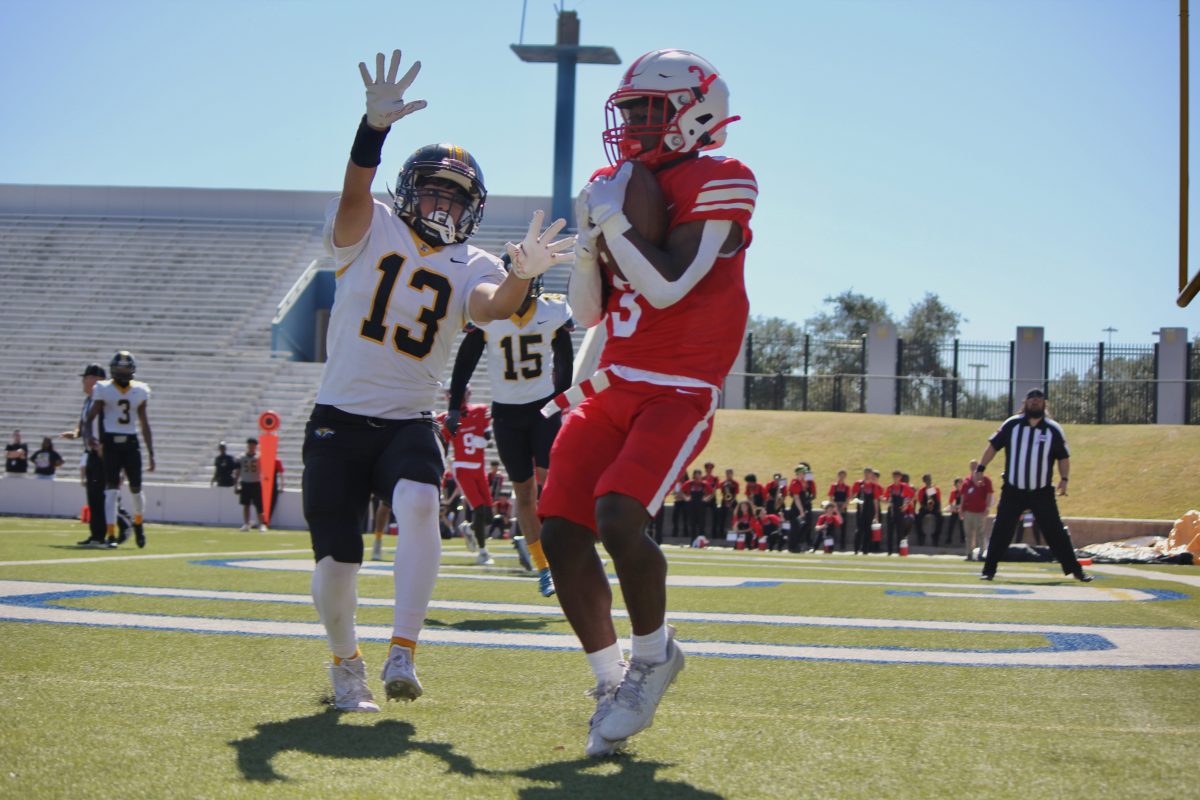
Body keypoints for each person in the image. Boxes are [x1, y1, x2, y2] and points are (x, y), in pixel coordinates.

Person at [300, 49, 571, 714]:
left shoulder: (473, 262)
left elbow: (492, 307)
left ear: (473, 210)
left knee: (421, 505)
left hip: (409, 420)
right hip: (337, 417)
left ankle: (403, 650)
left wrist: (524, 274)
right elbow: (353, 195)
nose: (441, 206)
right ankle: (344, 663)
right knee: (336, 566)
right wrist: (371, 132)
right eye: (432, 191)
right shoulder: (372, 225)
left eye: (454, 198)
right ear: (407, 189)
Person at [539, 48, 755, 756]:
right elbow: (591, 311)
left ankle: (654, 655)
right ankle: (609, 680)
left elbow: (668, 287)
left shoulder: (722, 179)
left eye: (647, 111)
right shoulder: (614, 183)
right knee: (561, 528)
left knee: (618, 514)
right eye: (627, 110)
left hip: (680, 386)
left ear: (698, 113)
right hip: (613, 381)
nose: (632, 125)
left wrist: (619, 227)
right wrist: (587, 245)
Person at [446, 263, 575, 596]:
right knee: (524, 493)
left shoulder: (553, 308)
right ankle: (543, 566)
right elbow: (465, 361)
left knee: (551, 485)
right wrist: (453, 406)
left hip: (543, 409)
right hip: (505, 415)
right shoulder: (489, 314)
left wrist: (563, 399)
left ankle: (565, 549)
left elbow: (564, 357)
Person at [977, 389, 1091, 582]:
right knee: (1002, 529)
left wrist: (1064, 479)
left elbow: (1063, 457)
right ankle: (989, 570)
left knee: (1055, 531)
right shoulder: (1012, 424)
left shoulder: (1053, 429)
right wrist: (980, 468)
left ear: (1044, 404)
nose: (1035, 402)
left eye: (1038, 400)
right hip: (1013, 489)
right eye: (1032, 399)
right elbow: (993, 446)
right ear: (1026, 402)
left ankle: (1076, 570)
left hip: (1041, 491)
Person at [84, 350, 154, 548]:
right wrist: (90, 437)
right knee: (111, 490)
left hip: (131, 443)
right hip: (111, 443)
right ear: (113, 369)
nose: (123, 370)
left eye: (126, 367)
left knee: (136, 488)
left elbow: (144, 423)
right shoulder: (104, 388)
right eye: (119, 367)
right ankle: (111, 535)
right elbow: (90, 418)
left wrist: (151, 452)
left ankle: (139, 525)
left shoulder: (139, 390)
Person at [438, 386, 496, 565]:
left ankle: (469, 528)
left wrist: (486, 440)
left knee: (488, 516)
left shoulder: (479, 411)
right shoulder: (445, 418)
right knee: (478, 509)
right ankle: (483, 552)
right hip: (462, 468)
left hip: (479, 468)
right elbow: (444, 443)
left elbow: (488, 436)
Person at [62, 364, 108, 546]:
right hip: (90, 453)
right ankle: (96, 535)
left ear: (95, 380)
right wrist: (75, 433)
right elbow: (82, 423)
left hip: (102, 454)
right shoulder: (88, 401)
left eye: (85, 377)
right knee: (93, 496)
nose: (82, 381)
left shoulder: (104, 401)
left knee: (103, 496)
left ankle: (121, 526)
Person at [959, 458, 993, 560]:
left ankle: (982, 553)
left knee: (980, 533)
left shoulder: (985, 480)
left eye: (975, 466)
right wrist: (961, 508)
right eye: (972, 466)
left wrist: (987, 507)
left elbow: (989, 494)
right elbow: (963, 496)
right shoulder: (967, 481)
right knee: (968, 533)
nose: (973, 468)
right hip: (968, 511)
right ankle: (969, 553)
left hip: (980, 511)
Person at [233, 438, 267, 531]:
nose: (251, 447)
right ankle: (246, 524)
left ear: (256, 446)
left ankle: (262, 524)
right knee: (246, 505)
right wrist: (236, 484)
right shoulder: (241, 457)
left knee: (259, 506)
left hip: (256, 483)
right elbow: (238, 471)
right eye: (250, 445)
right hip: (245, 483)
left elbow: (265, 470)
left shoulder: (259, 457)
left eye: (253, 445)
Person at [851, 467, 883, 554]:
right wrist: (858, 501)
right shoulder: (858, 484)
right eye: (866, 473)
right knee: (859, 530)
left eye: (869, 473)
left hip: (870, 510)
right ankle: (856, 549)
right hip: (861, 510)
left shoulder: (874, 486)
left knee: (868, 531)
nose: (867, 475)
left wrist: (876, 514)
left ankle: (865, 550)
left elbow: (875, 500)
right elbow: (853, 496)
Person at [914, 474, 942, 546]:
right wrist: (927, 507)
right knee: (918, 517)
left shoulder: (935, 489)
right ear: (924, 481)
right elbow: (920, 502)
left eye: (929, 479)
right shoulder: (922, 490)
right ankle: (921, 535)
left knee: (940, 517)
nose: (929, 481)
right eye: (927, 480)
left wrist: (937, 508)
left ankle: (936, 536)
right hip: (924, 508)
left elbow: (937, 500)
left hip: (934, 507)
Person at [827, 469, 851, 550]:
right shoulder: (834, 486)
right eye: (840, 475)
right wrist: (835, 506)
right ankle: (830, 545)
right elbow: (831, 497)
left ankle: (842, 545)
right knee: (831, 527)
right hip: (834, 508)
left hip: (843, 508)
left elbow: (848, 498)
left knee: (843, 527)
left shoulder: (847, 487)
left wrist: (845, 504)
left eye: (843, 476)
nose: (842, 477)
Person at [944, 477, 965, 546]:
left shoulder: (964, 492)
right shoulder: (954, 492)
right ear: (956, 484)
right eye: (959, 482)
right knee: (951, 524)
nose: (960, 484)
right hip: (955, 511)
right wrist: (954, 507)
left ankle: (963, 539)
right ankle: (948, 539)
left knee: (962, 524)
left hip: (963, 511)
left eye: (961, 482)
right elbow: (950, 502)